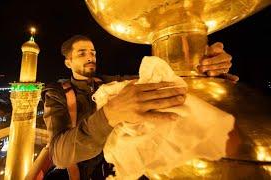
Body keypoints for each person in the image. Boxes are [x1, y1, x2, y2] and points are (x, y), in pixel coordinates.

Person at [42, 35, 237, 179]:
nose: (90, 57)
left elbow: (156, 81)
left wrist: (201, 68)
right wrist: (109, 114)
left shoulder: (108, 83)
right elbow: (59, 154)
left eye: (93, 52)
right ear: (68, 62)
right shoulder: (56, 93)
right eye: (82, 53)